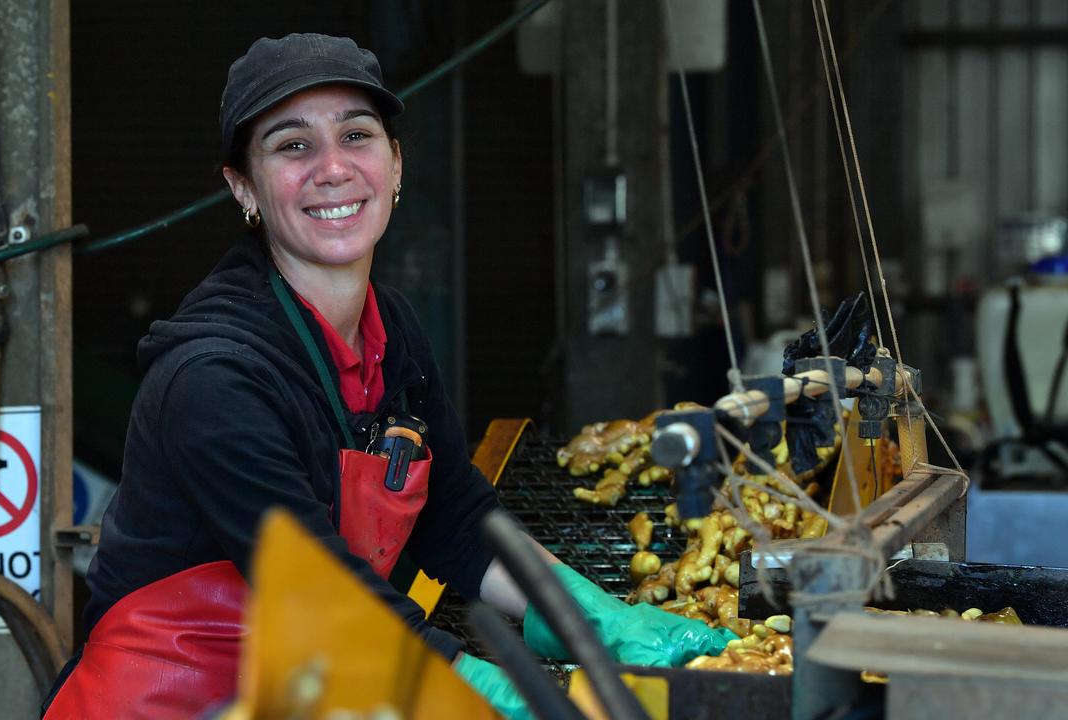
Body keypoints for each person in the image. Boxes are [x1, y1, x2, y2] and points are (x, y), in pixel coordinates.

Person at [44, 33, 731, 720]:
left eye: (357, 135)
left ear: (396, 165)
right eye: (292, 146)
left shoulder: (389, 330)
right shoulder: (212, 380)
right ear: (243, 187)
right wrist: (500, 693)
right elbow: (322, 599)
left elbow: (455, 517)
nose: (334, 168)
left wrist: (587, 616)